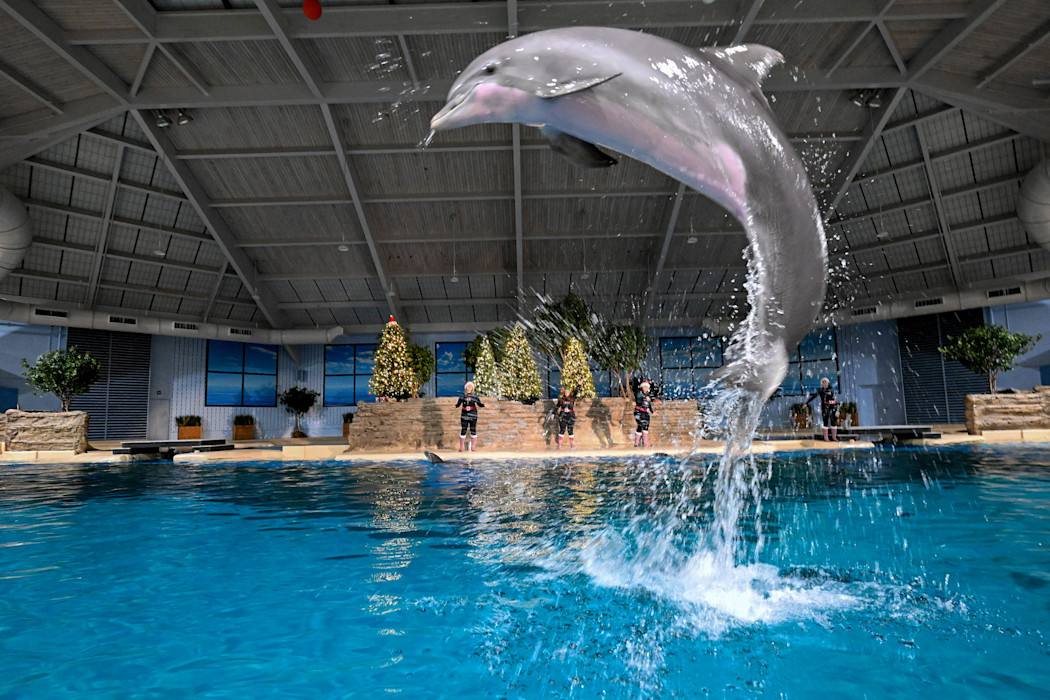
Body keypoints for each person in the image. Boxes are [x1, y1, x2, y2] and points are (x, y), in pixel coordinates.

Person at [455, 381, 485, 452]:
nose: (469, 387)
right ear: (466, 387)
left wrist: (484, 405)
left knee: (473, 429)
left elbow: (479, 404)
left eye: (471, 386)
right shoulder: (462, 396)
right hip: (464, 413)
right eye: (468, 386)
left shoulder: (475, 396)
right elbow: (458, 404)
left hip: (473, 413)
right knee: (463, 429)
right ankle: (461, 447)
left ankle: (473, 447)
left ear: (472, 388)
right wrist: (455, 406)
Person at [806, 377, 838, 441]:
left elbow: (834, 399)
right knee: (825, 421)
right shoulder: (821, 391)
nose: (824, 383)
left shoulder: (832, 389)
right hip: (825, 408)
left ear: (828, 382)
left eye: (825, 382)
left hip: (832, 407)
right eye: (823, 382)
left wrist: (836, 405)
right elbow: (813, 396)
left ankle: (834, 437)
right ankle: (826, 438)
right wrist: (807, 403)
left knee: (833, 421)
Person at [555, 381, 582, 449]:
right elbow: (557, 407)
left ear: (570, 393)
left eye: (568, 392)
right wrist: (553, 413)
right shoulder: (561, 399)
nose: (567, 393)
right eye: (566, 392)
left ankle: (572, 444)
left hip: (570, 415)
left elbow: (576, 392)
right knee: (562, 429)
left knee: (570, 430)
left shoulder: (572, 398)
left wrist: (579, 385)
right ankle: (560, 444)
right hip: (562, 415)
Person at [633, 379, 654, 447]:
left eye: (647, 387)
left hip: (645, 412)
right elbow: (639, 400)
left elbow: (649, 404)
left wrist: (652, 412)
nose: (646, 388)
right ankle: (636, 443)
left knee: (646, 426)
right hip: (638, 411)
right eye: (644, 387)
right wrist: (645, 397)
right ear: (642, 387)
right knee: (640, 425)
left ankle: (645, 443)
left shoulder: (648, 394)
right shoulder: (639, 392)